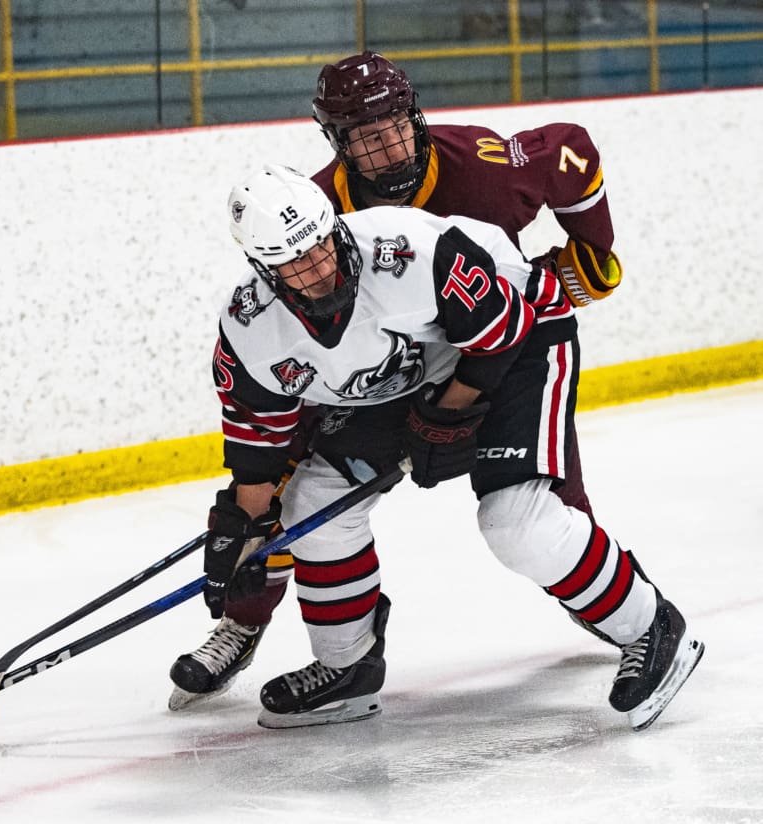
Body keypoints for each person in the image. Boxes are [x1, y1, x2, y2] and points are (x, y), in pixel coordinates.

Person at [169, 51, 625, 709]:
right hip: (374, 371)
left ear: (416, 116)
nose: (384, 148)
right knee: (282, 486)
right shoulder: (317, 209)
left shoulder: (483, 165)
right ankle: (243, 618)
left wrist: (593, 249)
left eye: (392, 127)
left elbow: (570, 155)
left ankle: (595, 596)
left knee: (541, 493)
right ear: (337, 143)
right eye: (362, 137)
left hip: (488, 351)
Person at [182, 162, 703, 730]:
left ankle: (651, 626)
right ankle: (347, 669)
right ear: (265, 271)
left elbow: (502, 329)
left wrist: (445, 419)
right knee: (311, 507)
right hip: (408, 376)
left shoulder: (406, 251)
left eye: (322, 244)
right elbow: (258, 455)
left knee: (515, 522)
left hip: (519, 336)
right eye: (295, 262)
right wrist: (246, 538)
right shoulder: (249, 329)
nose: (320, 267)